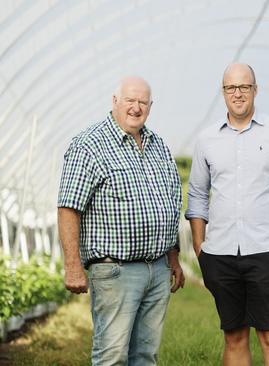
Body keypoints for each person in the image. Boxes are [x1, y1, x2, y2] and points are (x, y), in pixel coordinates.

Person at [185, 63, 269, 366]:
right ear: (223, 92)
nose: (237, 93)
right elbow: (198, 195)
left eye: (244, 87)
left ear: (256, 89)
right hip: (220, 253)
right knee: (235, 336)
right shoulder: (206, 140)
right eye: (231, 87)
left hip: (267, 251)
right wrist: (200, 249)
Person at [57, 76, 185, 366]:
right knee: (112, 356)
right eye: (130, 100)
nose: (136, 107)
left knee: (146, 355)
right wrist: (73, 266)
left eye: (143, 102)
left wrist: (173, 259)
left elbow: (170, 204)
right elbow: (68, 208)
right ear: (115, 101)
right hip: (116, 271)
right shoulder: (89, 145)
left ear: (150, 106)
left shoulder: (158, 146)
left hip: (157, 269)